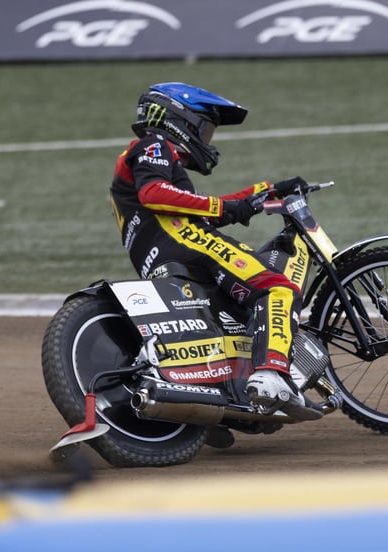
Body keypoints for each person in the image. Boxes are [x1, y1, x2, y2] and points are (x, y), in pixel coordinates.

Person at [109, 82, 316, 420]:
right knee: (277, 289)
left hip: (166, 257)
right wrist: (222, 206)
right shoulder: (154, 144)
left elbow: (195, 210)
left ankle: (226, 400)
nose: (208, 141)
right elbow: (155, 193)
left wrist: (264, 192)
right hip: (188, 245)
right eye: (205, 129)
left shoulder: (146, 158)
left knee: (236, 322)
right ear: (179, 120)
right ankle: (272, 374)